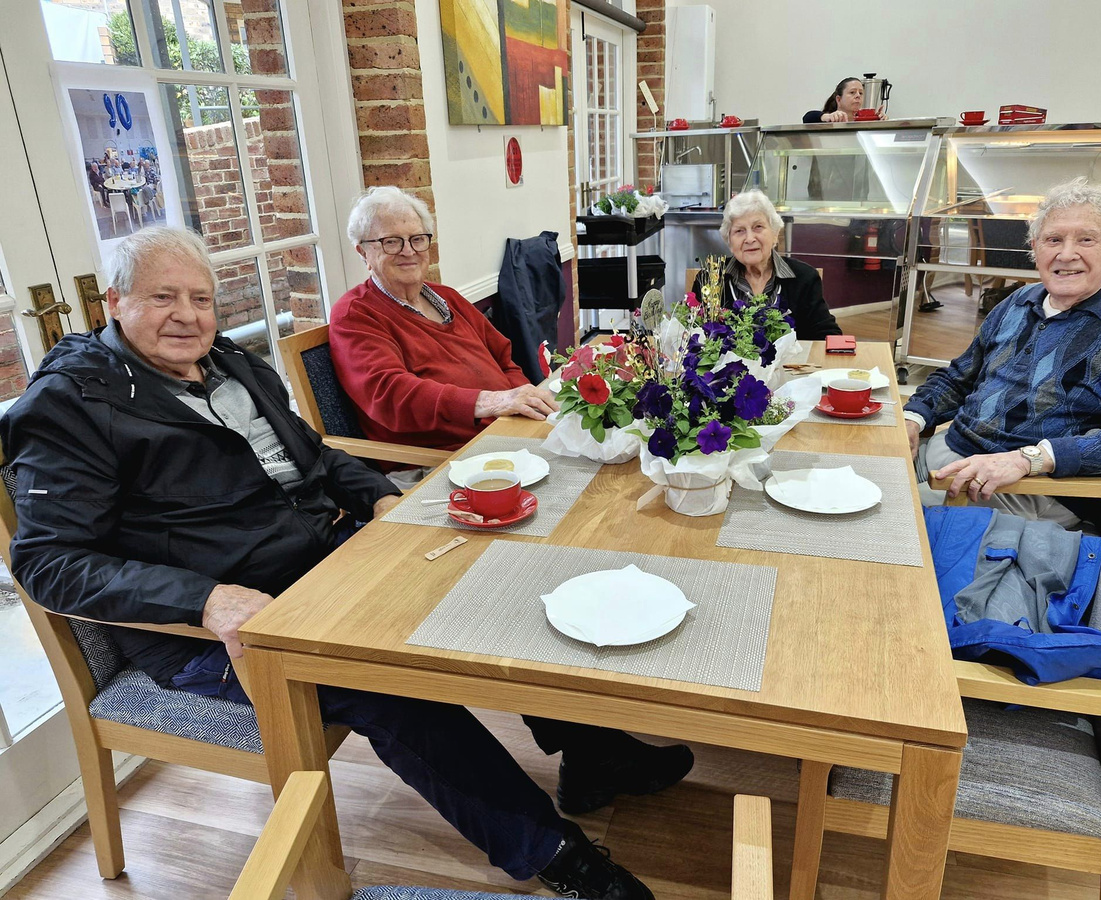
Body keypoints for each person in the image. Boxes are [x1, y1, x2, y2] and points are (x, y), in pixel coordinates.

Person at [1, 226, 689, 900]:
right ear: (114, 303)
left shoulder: (234, 364)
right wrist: (207, 600)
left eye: (202, 299)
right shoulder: (70, 407)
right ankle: (552, 854)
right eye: (162, 298)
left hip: (324, 560)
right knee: (385, 681)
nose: (188, 316)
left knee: (492, 583)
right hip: (222, 626)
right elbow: (48, 562)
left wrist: (380, 499)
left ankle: (593, 756)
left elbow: (319, 456)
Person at [905, 177, 1101, 528]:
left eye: (1086, 239)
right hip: (949, 450)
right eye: (1053, 239)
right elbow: (959, 375)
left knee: (888, 518)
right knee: (857, 467)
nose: (1066, 253)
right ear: (1035, 248)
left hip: (1035, 485)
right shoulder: (1018, 300)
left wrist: (1030, 460)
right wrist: (913, 418)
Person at [330, 186, 559, 488]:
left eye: (417, 239)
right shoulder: (355, 315)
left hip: (506, 435)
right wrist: (490, 402)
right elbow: (391, 395)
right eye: (391, 242)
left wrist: (526, 401)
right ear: (363, 251)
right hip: (442, 462)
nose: (409, 251)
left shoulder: (446, 297)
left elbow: (504, 359)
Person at [689, 189, 841, 339]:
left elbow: (827, 334)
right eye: (739, 231)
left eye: (758, 227)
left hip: (791, 364)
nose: (749, 239)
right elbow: (692, 334)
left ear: (775, 233)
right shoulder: (710, 278)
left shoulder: (804, 278)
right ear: (729, 241)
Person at [802, 77, 885, 124]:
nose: (858, 96)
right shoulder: (830, 119)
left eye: (861, 93)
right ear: (838, 99)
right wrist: (827, 117)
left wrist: (881, 121)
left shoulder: (862, 120)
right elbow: (808, 117)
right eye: (852, 92)